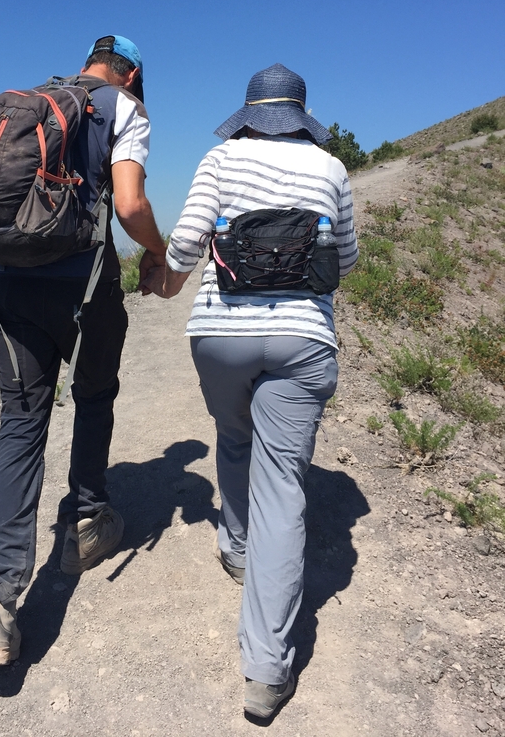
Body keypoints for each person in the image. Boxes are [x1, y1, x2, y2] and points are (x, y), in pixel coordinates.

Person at [143, 63, 358, 720]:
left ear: (249, 114)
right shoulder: (332, 170)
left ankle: (235, 547)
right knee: (284, 491)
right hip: (302, 340)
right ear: (300, 117)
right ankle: (266, 673)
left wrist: (168, 276)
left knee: (233, 437)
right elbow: (342, 262)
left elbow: (183, 246)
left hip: (221, 336)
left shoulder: (219, 158)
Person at [0, 35, 166, 667]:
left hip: (13, 285)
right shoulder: (124, 109)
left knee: (20, 425)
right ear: (130, 73)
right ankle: (84, 522)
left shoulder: (37, 101)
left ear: (88, 62)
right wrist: (158, 251)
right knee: (93, 398)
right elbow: (130, 203)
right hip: (85, 288)